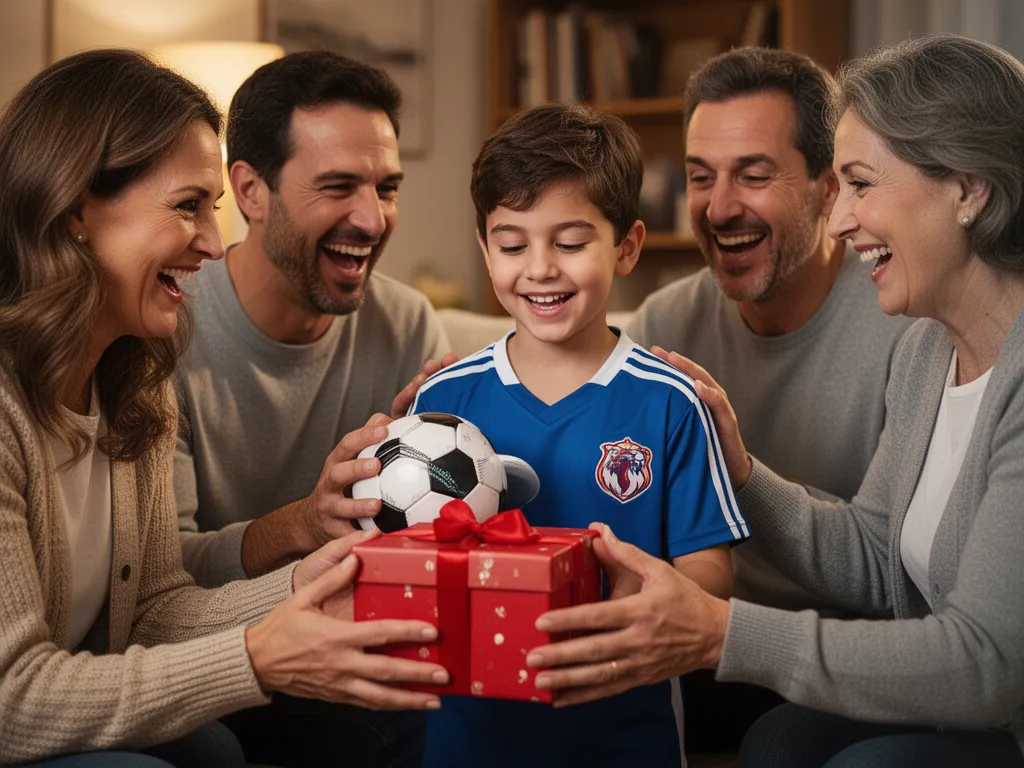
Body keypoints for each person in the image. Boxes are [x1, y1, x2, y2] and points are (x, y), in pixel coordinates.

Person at [525, 34, 1024, 768]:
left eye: (861, 184)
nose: (844, 216)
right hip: (946, 711)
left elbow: (986, 665)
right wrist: (740, 472)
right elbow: (878, 558)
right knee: (779, 744)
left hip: (992, 713)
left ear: (968, 189)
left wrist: (720, 632)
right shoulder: (929, 349)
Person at [0, 49, 449, 767]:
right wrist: (257, 656)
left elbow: (153, 609)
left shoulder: (135, 380)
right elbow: (11, 698)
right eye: (188, 208)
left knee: (215, 751)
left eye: (210, 211)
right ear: (77, 210)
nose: (212, 242)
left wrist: (313, 579)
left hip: (107, 685)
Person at [408, 103, 749, 768]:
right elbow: (406, 558)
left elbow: (711, 574)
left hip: (625, 736)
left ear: (627, 246)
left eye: (569, 243)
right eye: (512, 245)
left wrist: (646, 604)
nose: (539, 269)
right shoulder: (443, 400)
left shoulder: (671, 402)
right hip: (471, 738)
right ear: (484, 248)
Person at [624, 47, 914, 752]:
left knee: (779, 743)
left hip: (848, 653)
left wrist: (741, 470)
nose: (720, 208)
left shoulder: (908, 324)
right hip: (712, 644)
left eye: (753, 175)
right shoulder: (663, 326)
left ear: (828, 190)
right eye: (700, 178)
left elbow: (894, 578)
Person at [172, 51, 452, 765]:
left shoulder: (408, 323)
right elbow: (157, 580)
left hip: (356, 648)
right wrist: (303, 523)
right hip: (207, 657)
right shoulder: (164, 329)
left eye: (387, 187)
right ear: (250, 191)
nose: (371, 218)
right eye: (338, 187)